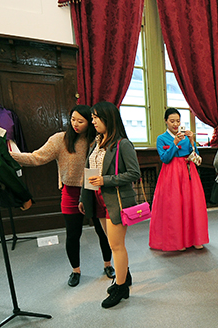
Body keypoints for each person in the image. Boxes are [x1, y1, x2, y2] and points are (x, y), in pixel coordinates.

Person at [10, 105, 114, 287]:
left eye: (80, 121)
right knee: (73, 234)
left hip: (94, 191)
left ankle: (108, 264)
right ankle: (75, 270)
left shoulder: (96, 141)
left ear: (90, 122)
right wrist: (12, 156)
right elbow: (37, 157)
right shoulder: (60, 139)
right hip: (71, 192)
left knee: (103, 232)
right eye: (72, 119)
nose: (75, 124)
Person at [78, 101, 141, 308]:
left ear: (109, 118)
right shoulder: (96, 142)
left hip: (115, 200)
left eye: (97, 117)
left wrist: (106, 180)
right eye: (93, 117)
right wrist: (83, 197)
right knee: (111, 243)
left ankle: (121, 288)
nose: (93, 120)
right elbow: (88, 172)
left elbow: (134, 173)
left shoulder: (123, 144)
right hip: (97, 199)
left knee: (116, 245)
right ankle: (125, 275)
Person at [149, 108, 209, 251]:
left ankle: (195, 238)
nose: (175, 124)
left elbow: (195, 154)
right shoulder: (161, 138)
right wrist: (175, 143)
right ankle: (178, 240)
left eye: (178, 121)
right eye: (172, 121)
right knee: (175, 205)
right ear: (166, 121)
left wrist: (192, 140)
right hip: (171, 174)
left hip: (189, 172)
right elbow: (165, 158)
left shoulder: (186, 136)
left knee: (192, 203)